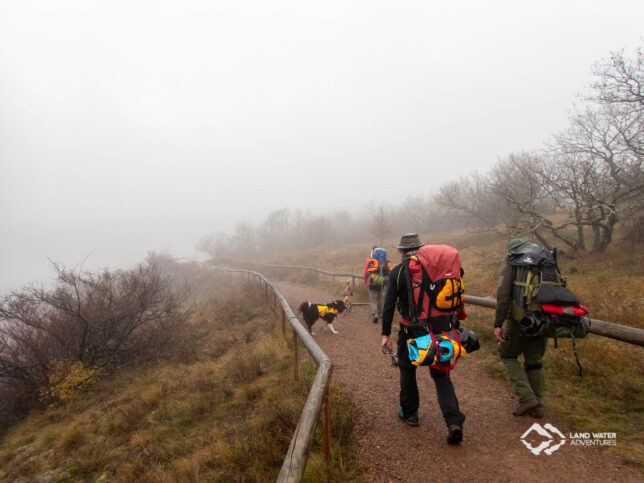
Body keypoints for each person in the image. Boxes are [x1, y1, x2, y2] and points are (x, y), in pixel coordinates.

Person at [381, 233, 465, 444]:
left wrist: (385, 334)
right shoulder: (438, 269)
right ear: (419, 248)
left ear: (401, 251)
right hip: (442, 330)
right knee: (441, 376)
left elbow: (389, 304)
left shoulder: (398, 272)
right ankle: (454, 421)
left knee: (407, 370)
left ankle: (410, 414)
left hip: (412, 332)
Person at [494, 238, 546, 418]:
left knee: (507, 355)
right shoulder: (542, 264)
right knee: (535, 361)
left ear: (511, 252)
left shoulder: (512, 266)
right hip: (543, 320)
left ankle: (526, 397)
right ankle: (538, 406)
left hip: (519, 322)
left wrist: (498, 324)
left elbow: (503, 298)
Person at [363, 246, 390, 324]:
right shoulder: (384, 261)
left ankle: (375, 314)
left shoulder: (370, 261)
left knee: (373, 299)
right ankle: (381, 313)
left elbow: (365, 272)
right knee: (380, 298)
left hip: (372, 282)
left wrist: (365, 280)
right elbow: (388, 272)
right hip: (381, 282)